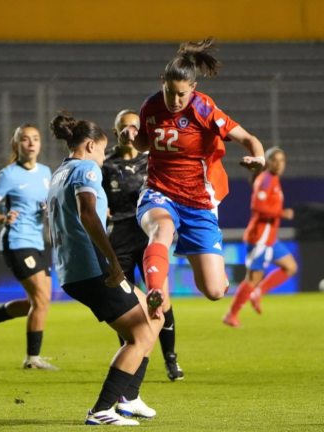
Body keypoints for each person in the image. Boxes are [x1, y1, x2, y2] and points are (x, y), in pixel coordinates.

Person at [119, 37, 265, 317]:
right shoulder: (150, 107)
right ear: (163, 81)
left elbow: (248, 138)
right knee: (161, 229)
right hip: (159, 190)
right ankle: (155, 292)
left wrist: (258, 158)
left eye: (182, 94)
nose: (175, 100)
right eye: (170, 91)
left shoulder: (204, 109)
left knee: (214, 291)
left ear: (193, 89)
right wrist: (132, 137)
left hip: (198, 201)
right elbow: (146, 145)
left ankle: (202, 279)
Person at [48, 111, 163, 425]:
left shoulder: (59, 173)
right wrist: (113, 261)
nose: (102, 158)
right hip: (91, 267)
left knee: (155, 314)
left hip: (73, 268)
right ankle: (102, 409)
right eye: (100, 150)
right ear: (88, 146)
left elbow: (75, 214)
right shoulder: (86, 168)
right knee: (140, 335)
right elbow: (87, 215)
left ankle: (131, 399)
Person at [103, 110, 184, 381]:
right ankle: (132, 360)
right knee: (124, 303)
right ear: (115, 132)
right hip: (119, 240)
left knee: (161, 295)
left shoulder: (152, 161)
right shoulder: (104, 165)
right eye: (123, 127)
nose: (130, 132)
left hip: (149, 235)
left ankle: (170, 360)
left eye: (135, 127)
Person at [0, 125, 56, 370]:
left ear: (40, 145)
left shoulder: (46, 172)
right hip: (16, 242)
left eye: (35, 139)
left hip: (37, 242)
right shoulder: (7, 175)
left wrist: (48, 209)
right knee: (40, 301)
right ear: (16, 144)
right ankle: (32, 359)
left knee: (37, 303)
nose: (31, 144)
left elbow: (45, 203)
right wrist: (1, 218)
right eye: (25, 139)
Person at [223, 147, 297, 327]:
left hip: (270, 238)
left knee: (290, 267)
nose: (279, 164)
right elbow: (258, 207)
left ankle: (258, 293)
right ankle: (231, 314)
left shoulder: (274, 180)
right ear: (267, 162)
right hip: (259, 238)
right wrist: (281, 213)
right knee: (253, 278)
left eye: (282, 160)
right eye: (275, 160)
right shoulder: (265, 180)